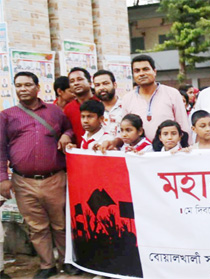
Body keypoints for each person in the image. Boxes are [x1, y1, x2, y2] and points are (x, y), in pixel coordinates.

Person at [0, 72, 79, 278]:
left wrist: (66, 134)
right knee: (37, 227)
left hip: (54, 178)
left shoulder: (55, 112)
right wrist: (2, 179)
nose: (23, 89)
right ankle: (47, 265)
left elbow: (70, 129)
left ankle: (67, 261)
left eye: (27, 85)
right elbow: (0, 149)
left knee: (61, 224)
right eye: (18, 85)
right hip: (23, 181)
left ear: (38, 88)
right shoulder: (6, 115)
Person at [121, 55, 190, 138]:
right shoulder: (127, 99)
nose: (142, 74)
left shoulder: (172, 94)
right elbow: (124, 129)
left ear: (154, 71)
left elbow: (183, 125)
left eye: (145, 69)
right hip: (138, 150)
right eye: (137, 71)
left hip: (168, 150)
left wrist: (185, 148)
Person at [63, 67, 99, 145]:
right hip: (79, 153)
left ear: (90, 83)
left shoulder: (101, 103)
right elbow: (67, 129)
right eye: (72, 81)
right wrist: (66, 135)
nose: (76, 83)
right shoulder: (68, 108)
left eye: (80, 79)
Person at [93, 70, 123, 138]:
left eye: (105, 83)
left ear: (114, 85)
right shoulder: (94, 110)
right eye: (97, 85)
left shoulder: (126, 106)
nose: (101, 88)